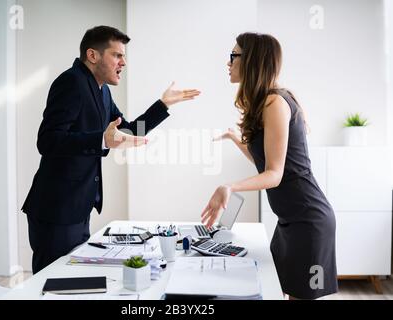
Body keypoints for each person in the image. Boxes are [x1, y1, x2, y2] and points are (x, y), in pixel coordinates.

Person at [22, 26, 200, 274]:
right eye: (117, 55)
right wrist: (101, 140)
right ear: (93, 55)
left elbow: (128, 132)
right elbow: (48, 140)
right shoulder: (71, 82)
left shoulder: (102, 90)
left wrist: (162, 105)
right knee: (51, 283)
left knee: (69, 281)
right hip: (57, 210)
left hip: (78, 208)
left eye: (123, 56)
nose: (123, 62)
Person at [201, 32, 337, 299]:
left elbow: (274, 175)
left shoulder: (275, 102)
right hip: (290, 221)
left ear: (252, 60)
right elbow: (264, 162)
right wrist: (234, 138)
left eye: (233, 56)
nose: (228, 62)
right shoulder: (266, 101)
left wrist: (229, 186)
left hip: (309, 222)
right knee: (279, 291)